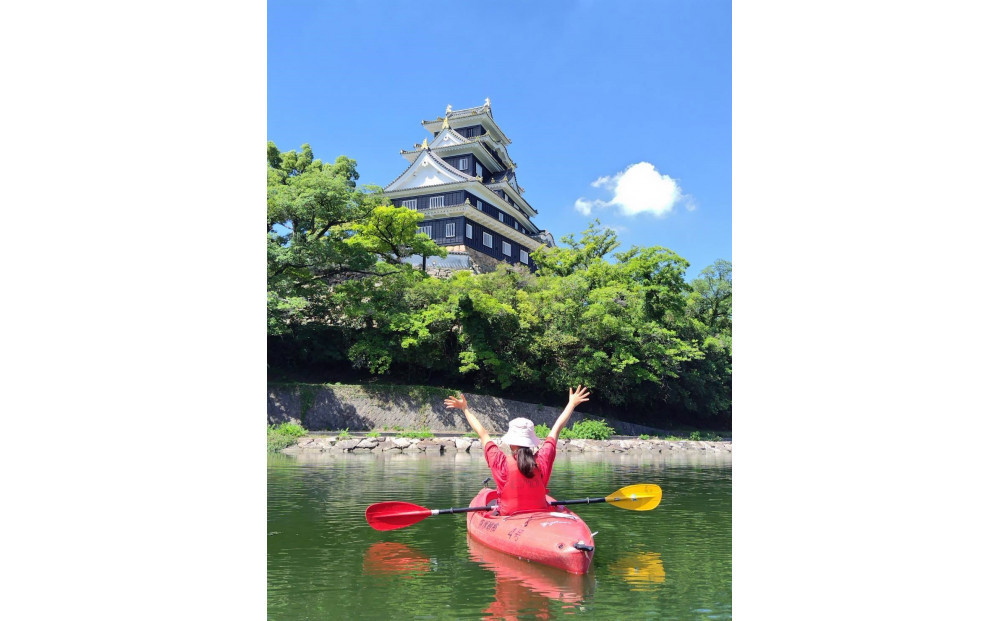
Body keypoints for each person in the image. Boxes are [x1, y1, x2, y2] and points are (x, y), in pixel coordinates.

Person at [444, 385, 591, 515]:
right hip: (540, 514)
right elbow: (556, 429)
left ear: (511, 442)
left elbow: (482, 433)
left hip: (509, 516)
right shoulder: (543, 458)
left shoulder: (500, 461)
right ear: (531, 441)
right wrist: (571, 404)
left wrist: (465, 409)